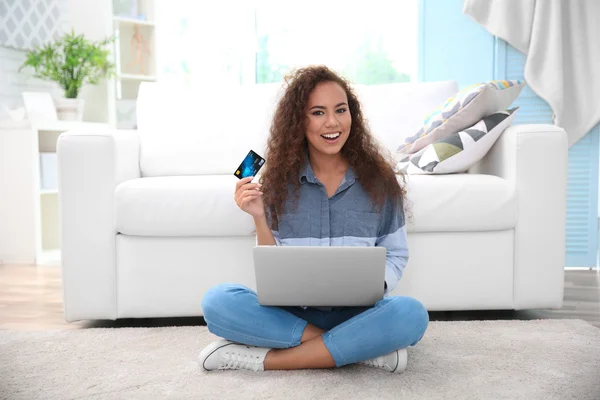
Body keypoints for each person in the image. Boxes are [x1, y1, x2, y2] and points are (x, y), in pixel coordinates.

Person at [198, 65, 429, 373]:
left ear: (352, 115)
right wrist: (259, 217)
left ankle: (269, 361)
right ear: (299, 121)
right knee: (217, 302)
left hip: (357, 314)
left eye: (340, 110)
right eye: (318, 112)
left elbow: (396, 254)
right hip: (293, 315)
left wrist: (372, 285)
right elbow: (272, 271)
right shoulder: (278, 185)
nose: (332, 122)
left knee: (411, 314)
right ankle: (355, 349)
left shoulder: (380, 183)